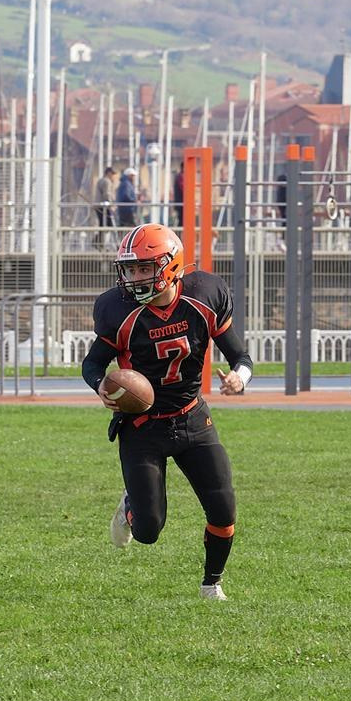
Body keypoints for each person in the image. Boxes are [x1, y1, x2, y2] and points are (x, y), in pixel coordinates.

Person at [81, 223, 254, 601]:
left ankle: (211, 584)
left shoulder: (204, 296)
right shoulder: (118, 309)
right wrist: (101, 386)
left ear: (171, 265)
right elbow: (92, 364)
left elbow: (241, 357)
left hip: (192, 418)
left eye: (145, 268)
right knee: (148, 531)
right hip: (142, 427)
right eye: (130, 269)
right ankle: (130, 506)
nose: (135, 278)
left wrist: (238, 379)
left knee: (223, 509)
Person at [94, 166, 117, 231]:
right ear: (108, 173)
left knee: (102, 224)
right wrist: (111, 205)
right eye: (112, 174)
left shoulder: (100, 180)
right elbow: (107, 194)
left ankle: (99, 237)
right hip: (104, 206)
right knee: (108, 223)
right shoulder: (107, 181)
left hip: (98, 205)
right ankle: (101, 237)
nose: (113, 176)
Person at [171, 162, 185, 229]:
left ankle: (179, 233)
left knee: (181, 220)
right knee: (181, 220)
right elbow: (183, 188)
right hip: (181, 202)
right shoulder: (180, 177)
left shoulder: (180, 176)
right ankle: (179, 234)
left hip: (181, 202)